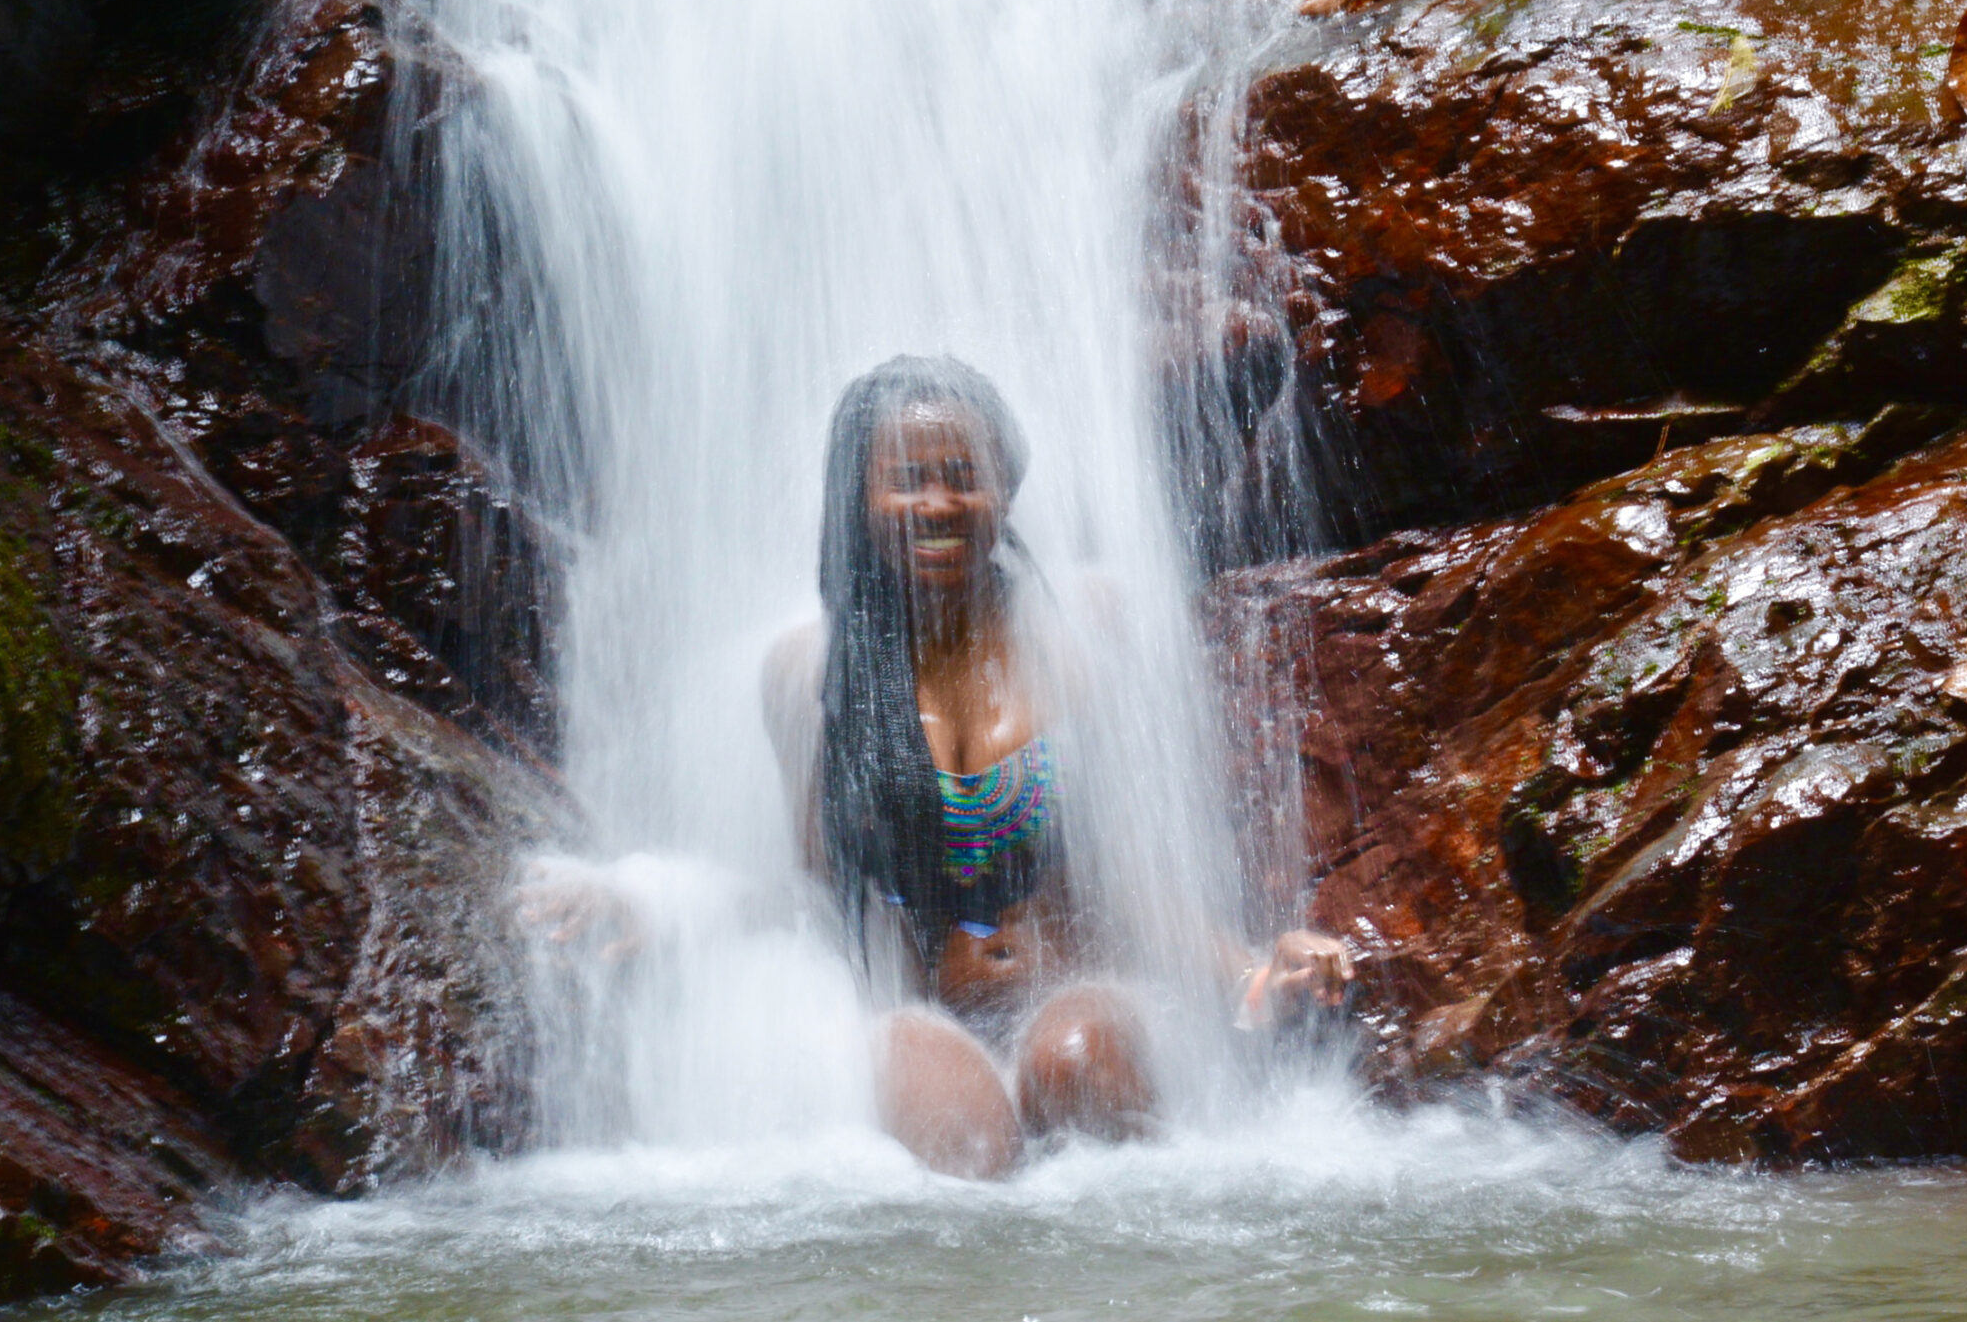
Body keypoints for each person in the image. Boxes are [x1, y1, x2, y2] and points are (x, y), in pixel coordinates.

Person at [531, 354, 1354, 1178]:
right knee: (960, 1139)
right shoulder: (809, 674)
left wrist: (1251, 969)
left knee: (1078, 1061)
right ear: (858, 500)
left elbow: (1132, 880)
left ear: (1005, 490)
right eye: (907, 479)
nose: (938, 504)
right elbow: (817, 896)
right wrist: (659, 904)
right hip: (919, 1015)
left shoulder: (1084, 632)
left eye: (965, 477)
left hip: (1073, 989)